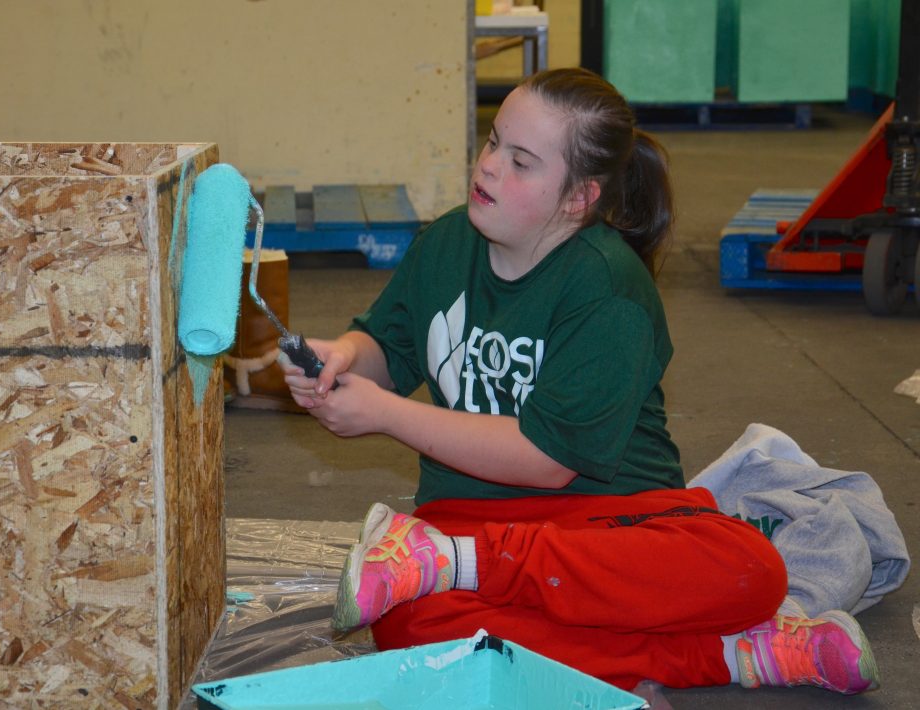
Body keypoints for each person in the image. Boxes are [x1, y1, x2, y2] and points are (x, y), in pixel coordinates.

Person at [280, 68, 879, 695]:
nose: (488, 167)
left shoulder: (608, 289)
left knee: (751, 570)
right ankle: (740, 655)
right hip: (469, 520)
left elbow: (546, 462)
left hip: (606, 527)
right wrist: (344, 356)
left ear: (578, 197)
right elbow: (390, 346)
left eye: (521, 161)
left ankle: (452, 565)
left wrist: (386, 414)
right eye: (492, 143)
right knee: (407, 624)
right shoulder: (447, 241)